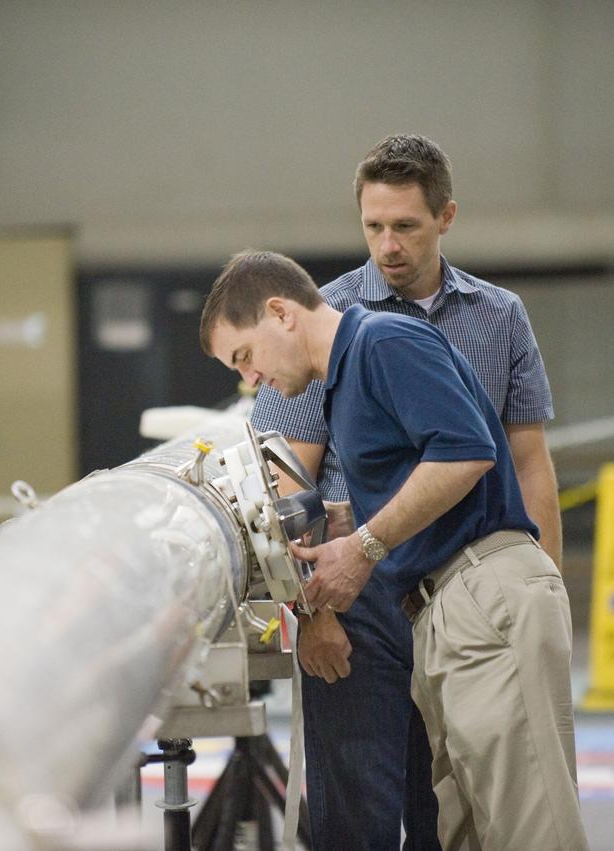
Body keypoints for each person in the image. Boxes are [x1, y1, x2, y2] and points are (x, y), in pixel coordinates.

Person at [200, 251, 586, 851]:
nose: (251, 378)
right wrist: (347, 517)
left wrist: (363, 545)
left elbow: (467, 452)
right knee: (463, 829)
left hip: (484, 590)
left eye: (245, 356)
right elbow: (425, 475)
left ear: (280, 313)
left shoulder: (381, 340)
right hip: (440, 606)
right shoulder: (344, 381)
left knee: (529, 827)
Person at [248, 134, 562, 850]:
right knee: (351, 811)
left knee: (454, 806)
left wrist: (544, 596)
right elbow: (287, 485)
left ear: (446, 216)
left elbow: (528, 462)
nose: (387, 244)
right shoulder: (319, 319)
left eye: (406, 226)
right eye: (373, 226)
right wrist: (312, 612)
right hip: (354, 600)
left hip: (462, 593)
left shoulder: (497, 317)